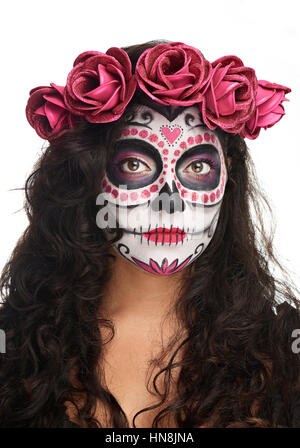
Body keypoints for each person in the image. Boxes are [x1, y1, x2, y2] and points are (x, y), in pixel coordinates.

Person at [0, 40, 299, 428]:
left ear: (227, 174)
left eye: (196, 168)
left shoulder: (286, 352)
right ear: (87, 175)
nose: (168, 204)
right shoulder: (12, 346)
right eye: (136, 163)